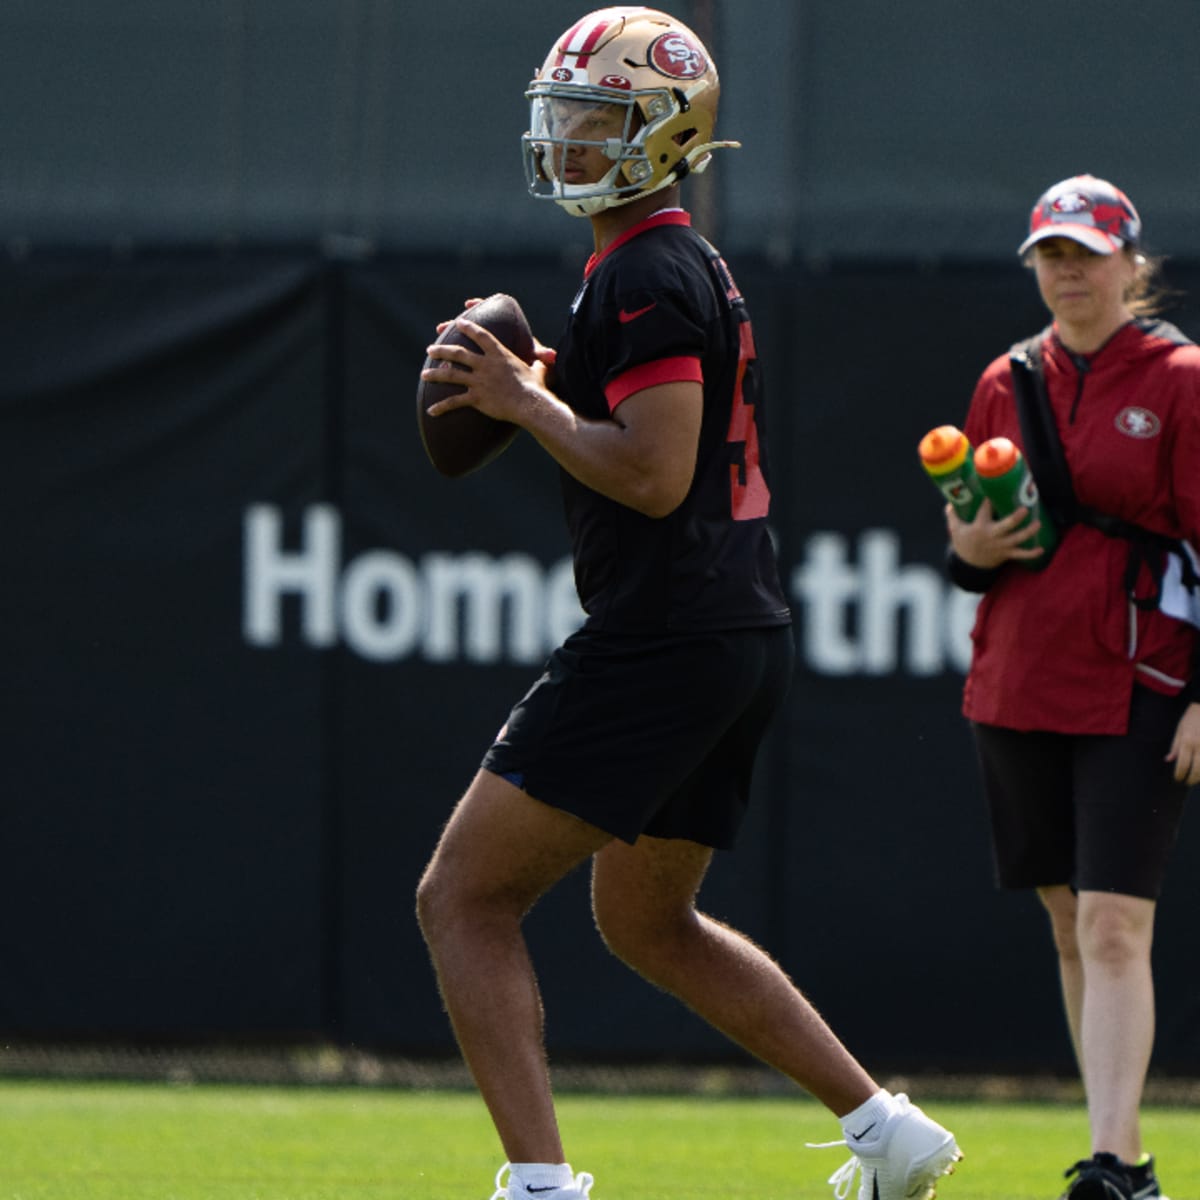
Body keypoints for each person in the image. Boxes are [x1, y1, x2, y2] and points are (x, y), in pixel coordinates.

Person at [415, 8, 961, 1200]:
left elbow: (656, 472)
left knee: (462, 897)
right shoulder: (669, 260)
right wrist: (556, 386)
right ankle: (887, 1131)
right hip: (728, 630)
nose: (566, 142)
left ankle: (541, 1185)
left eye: (596, 118)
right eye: (560, 117)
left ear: (667, 135)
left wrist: (524, 403)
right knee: (649, 924)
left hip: (665, 633)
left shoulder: (650, 266)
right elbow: (659, 433)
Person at [945, 174, 1200, 1200]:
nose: (1067, 273)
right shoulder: (1005, 379)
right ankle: (1109, 1145)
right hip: (1018, 672)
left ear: (1131, 266)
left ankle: (1118, 1162)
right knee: (1064, 915)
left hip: (1143, 672)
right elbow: (975, 544)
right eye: (1051, 256)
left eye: (1086, 256)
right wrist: (966, 543)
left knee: (1111, 921)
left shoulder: (1181, 378)